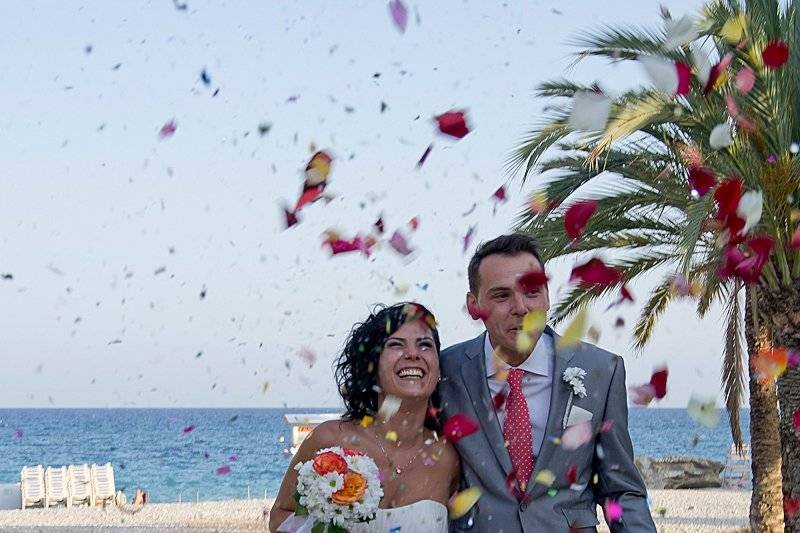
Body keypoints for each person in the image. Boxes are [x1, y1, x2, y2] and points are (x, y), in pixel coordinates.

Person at [439, 234, 656, 532]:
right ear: (474, 304)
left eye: (531, 292)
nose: (521, 307)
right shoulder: (446, 371)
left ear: (547, 295)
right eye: (502, 296)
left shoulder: (601, 371)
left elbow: (620, 488)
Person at [269, 302, 460, 533]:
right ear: (372, 366)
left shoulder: (447, 458)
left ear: (438, 368)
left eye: (425, 345)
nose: (413, 354)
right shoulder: (329, 440)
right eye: (396, 344)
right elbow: (280, 516)